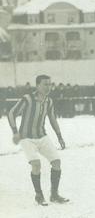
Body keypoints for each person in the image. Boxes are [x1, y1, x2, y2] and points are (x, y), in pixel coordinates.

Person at [7, 75, 68, 205]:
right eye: (45, 84)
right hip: (26, 138)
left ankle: (54, 194)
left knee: (56, 162)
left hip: (42, 136)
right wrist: (15, 131)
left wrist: (59, 136)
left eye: (50, 84)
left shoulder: (49, 101)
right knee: (36, 164)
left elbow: (52, 119)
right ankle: (39, 195)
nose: (48, 87)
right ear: (38, 85)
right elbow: (12, 113)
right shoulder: (28, 99)